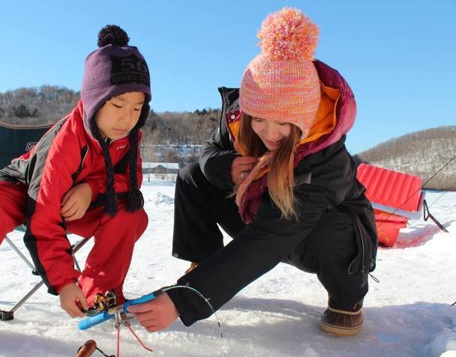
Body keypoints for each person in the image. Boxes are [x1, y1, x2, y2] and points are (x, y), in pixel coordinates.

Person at [130, 7, 378, 336]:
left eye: (284, 124)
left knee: (332, 230)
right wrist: (225, 166)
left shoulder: (326, 159)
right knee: (193, 176)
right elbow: (208, 153)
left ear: (303, 117)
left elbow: (272, 236)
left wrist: (185, 300)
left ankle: (348, 296)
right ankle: (205, 262)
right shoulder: (240, 119)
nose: (270, 134)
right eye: (259, 119)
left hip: (314, 237)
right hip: (262, 218)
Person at [0, 25, 152, 344]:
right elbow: (43, 219)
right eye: (118, 106)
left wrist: (92, 188)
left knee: (131, 214)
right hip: (24, 191)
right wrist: (65, 282)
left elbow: (130, 182)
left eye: (137, 108)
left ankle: (100, 297)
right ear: (95, 101)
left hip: (75, 203)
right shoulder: (65, 142)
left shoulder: (129, 137)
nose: (127, 119)